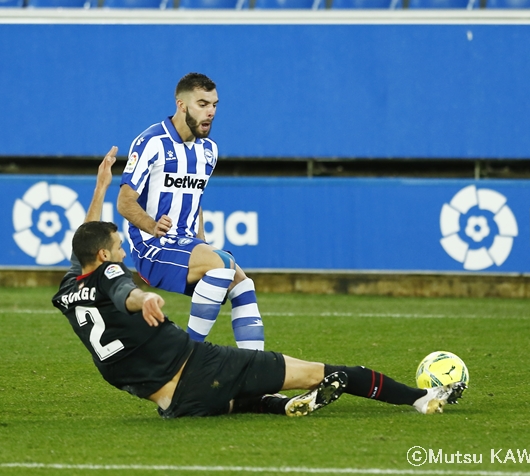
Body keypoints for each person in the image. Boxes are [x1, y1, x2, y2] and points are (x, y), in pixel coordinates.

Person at [52, 147, 466, 419]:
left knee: (249, 398)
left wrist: (102, 186)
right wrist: (141, 299)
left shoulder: (70, 286)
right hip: (201, 368)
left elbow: (87, 242)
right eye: (119, 248)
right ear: (106, 257)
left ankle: (278, 404)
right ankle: (420, 398)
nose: (125, 253)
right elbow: (123, 289)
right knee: (327, 371)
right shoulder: (112, 274)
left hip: (175, 404)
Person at [117, 72, 264, 351]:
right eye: (202, 104)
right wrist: (151, 225)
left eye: (215, 105)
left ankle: (255, 368)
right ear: (181, 105)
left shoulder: (209, 151)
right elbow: (124, 201)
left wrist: (203, 246)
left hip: (185, 245)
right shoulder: (152, 142)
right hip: (152, 247)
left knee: (243, 285)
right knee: (221, 264)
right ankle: (189, 358)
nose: (210, 112)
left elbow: (195, 203)